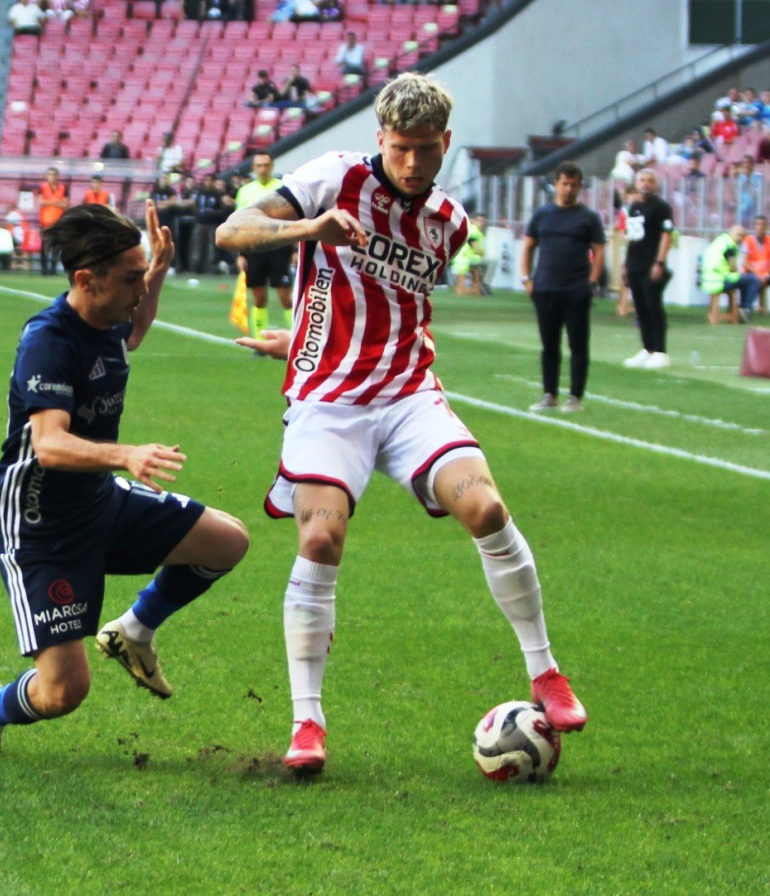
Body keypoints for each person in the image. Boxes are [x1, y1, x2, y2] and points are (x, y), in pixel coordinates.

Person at [216, 72, 587, 776]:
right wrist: (310, 228)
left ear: (445, 141)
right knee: (322, 535)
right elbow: (237, 229)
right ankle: (307, 722)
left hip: (409, 394)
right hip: (328, 402)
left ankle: (545, 672)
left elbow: (384, 303)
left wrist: (304, 330)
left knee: (487, 505)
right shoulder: (333, 178)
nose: (412, 162)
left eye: (425, 148)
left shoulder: (451, 223)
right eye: (399, 147)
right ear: (379, 139)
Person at [0, 201, 249, 754]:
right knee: (64, 692)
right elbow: (47, 445)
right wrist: (124, 455)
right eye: (130, 279)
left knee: (227, 541)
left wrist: (158, 270)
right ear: (85, 280)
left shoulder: (108, 315)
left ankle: (134, 630)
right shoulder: (49, 341)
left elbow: (133, 333)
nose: (139, 290)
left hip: (99, 499)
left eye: (142, 276)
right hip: (42, 524)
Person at [520, 162, 606, 413]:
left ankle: (576, 396)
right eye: (564, 183)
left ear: (580, 187)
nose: (568, 189)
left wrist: (592, 281)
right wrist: (527, 278)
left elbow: (599, 251)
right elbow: (528, 246)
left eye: (573, 185)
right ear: (556, 184)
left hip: (577, 288)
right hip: (545, 287)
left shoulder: (588, 217)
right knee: (549, 344)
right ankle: (550, 394)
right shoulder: (542, 214)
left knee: (578, 344)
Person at [233, 152, 293, 337]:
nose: (263, 169)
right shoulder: (245, 191)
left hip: (279, 246)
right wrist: (240, 254)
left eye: (266, 165)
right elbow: (238, 224)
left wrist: (296, 248)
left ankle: (296, 338)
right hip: (254, 248)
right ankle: (260, 340)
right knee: (259, 297)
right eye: (259, 165)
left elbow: (294, 217)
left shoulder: (283, 187)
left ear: (272, 166)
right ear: (253, 168)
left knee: (286, 297)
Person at [622, 168, 675, 369]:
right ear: (636, 183)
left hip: (650, 264)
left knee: (654, 306)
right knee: (641, 308)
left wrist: (659, 261)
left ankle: (661, 350)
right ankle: (647, 348)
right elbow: (632, 237)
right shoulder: (634, 206)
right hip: (635, 263)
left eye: (649, 180)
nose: (645, 183)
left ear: (655, 184)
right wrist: (626, 264)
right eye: (642, 180)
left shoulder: (662, 207)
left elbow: (666, 234)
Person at [701, 224, 758, 325]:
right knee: (752, 280)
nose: (740, 238)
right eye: (738, 235)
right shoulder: (730, 246)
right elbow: (732, 268)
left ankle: (741, 310)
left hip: (708, 281)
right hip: (721, 281)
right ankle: (746, 309)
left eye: (742, 236)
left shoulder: (719, 241)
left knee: (744, 280)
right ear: (731, 233)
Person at [742, 215, 770, 315]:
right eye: (758, 224)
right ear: (754, 226)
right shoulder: (748, 240)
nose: (760, 227)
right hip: (753, 273)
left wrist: (767, 274)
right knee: (750, 282)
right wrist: (757, 274)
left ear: (767, 227)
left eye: (763, 225)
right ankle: (747, 307)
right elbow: (745, 262)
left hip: (767, 274)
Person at [38, 167, 69, 275]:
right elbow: (41, 202)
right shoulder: (42, 187)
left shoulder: (63, 188)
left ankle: (53, 268)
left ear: (57, 176)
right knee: (44, 246)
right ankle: (44, 268)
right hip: (45, 221)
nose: (51, 177)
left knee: (56, 246)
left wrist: (49, 201)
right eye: (49, 174)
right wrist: (56, 202)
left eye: (54, 174)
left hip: (58, 222)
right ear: (47, 176)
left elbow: (65, 204)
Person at [450, 213, 488, 296]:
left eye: (483, 221)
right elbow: (474, 246)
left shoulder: (472, 229)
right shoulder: (474, 230)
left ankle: (474, 289)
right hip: (464, 257)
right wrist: (482, 253)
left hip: (462, 257)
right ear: (473, 221)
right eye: (479, 220)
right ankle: (475, 289)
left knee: (472, 275)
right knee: (478, 271)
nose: (481, 223)